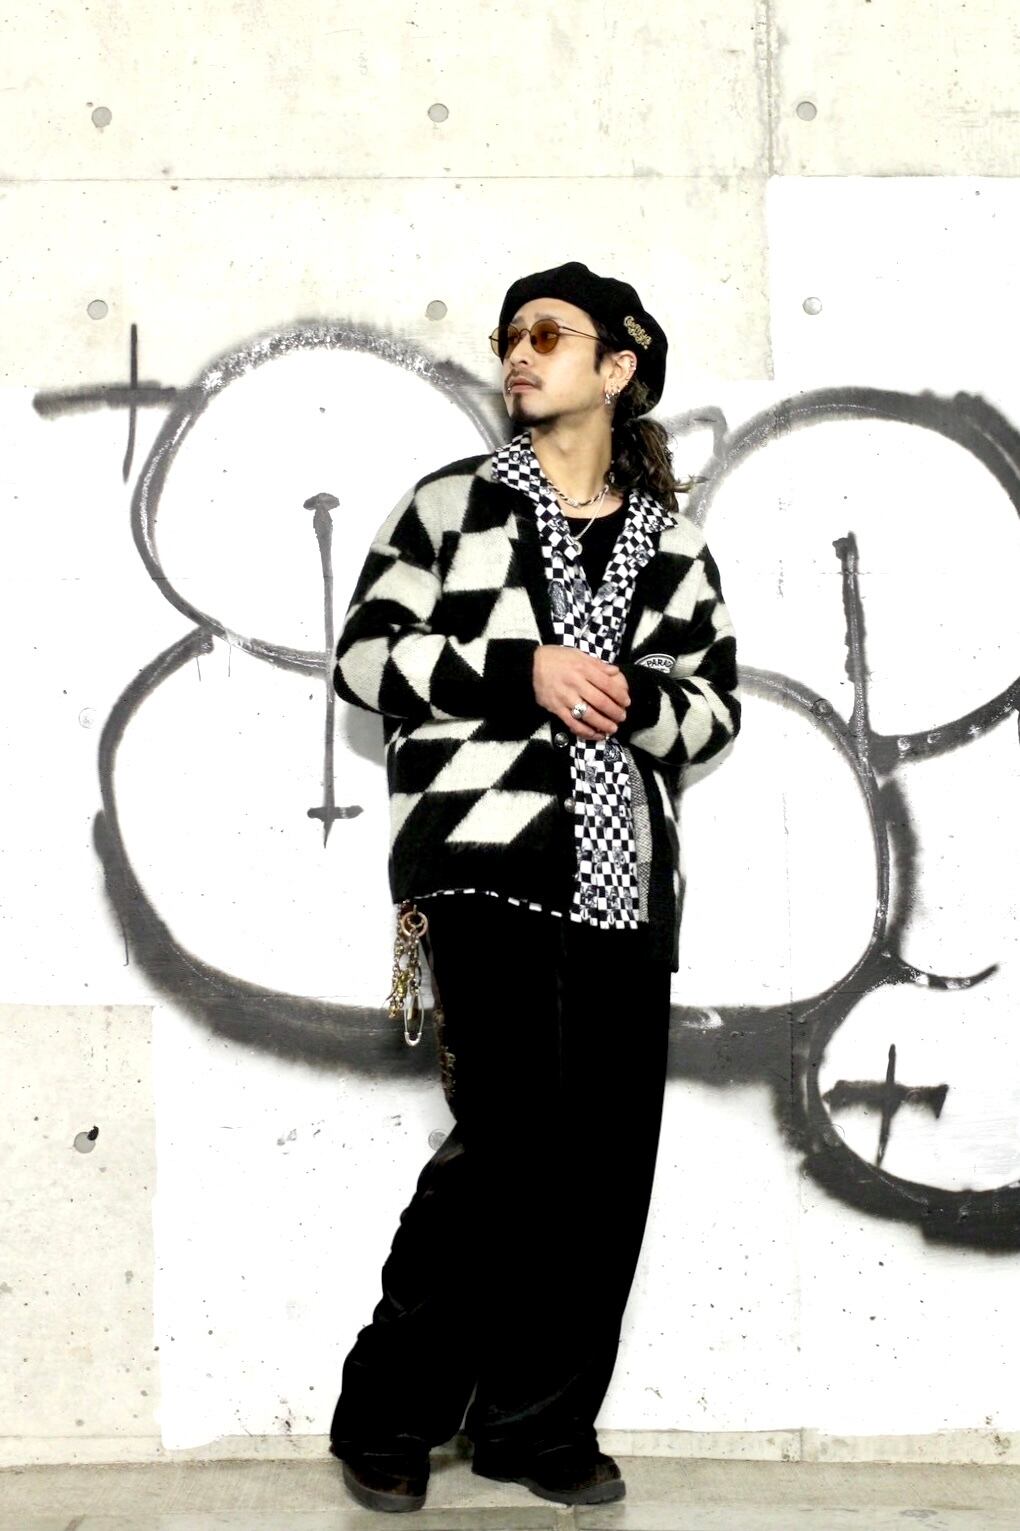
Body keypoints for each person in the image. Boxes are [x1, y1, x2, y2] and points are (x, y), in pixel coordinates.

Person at [328, 260, 741, 1514]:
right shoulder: (449, 507)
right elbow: (364, 660)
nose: (520, 351)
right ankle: (391, 1413)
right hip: (485, 863)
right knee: (510, 1143)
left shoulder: (674, 546)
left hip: (626, 885)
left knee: (605, 1166)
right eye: (512, 334)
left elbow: (712, 708)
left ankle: (537, 1425)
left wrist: (632, 699)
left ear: (617, 368)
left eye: (550, 335)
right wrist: (527, 671)